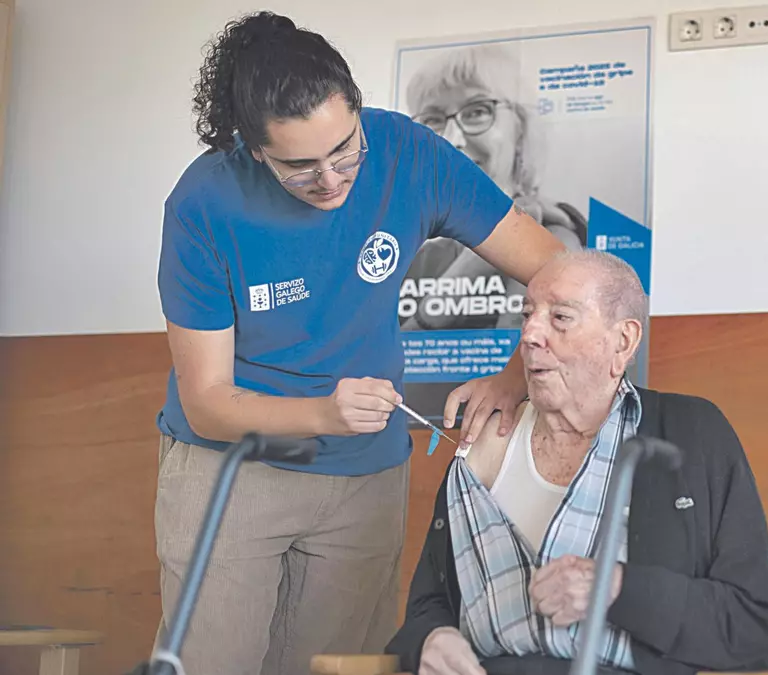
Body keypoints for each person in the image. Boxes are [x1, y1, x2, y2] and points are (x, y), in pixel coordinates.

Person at [153, 11, 566, 675]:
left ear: (357, 110)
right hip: (231, 467)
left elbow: (557, 270)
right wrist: (323, 412)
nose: (331, 178)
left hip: (363, 475)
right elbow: (206, 402)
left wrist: (515, 375)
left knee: (337, 664)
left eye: (345, 150)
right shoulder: (204, 203)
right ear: (252, 149)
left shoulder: (409, 153)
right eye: (299, 166)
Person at [385, 250, 768, 675]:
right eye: (527, 315)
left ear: (623, 341)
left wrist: (615, 588)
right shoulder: (477, 452)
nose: (530, 334)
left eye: (560, 318)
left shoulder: (690, 434)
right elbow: (429, 606)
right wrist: (430, 639)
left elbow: (749, 623)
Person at [400, 43, 588, 334]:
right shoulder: (416, 258)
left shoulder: (556, 235)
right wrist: (467, 270)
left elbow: (532, 350)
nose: (452, 140)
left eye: (477, 111)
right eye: (433, 120)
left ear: (521, 128)